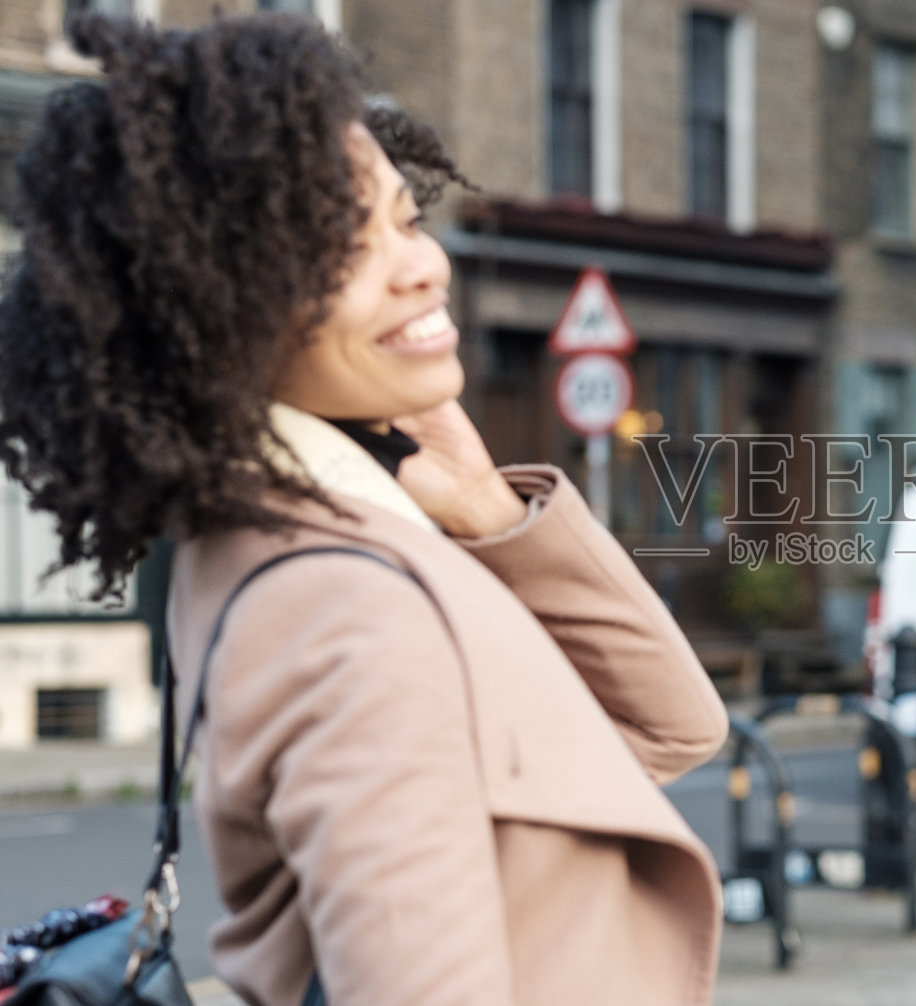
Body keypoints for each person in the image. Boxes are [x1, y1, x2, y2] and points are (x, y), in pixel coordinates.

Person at [0, 15, 728, 1006]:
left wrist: (483, 508)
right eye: (340, 244)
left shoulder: (310, 530)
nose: (421, 265)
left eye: (403, 216)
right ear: (215, 309)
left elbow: (670, 729)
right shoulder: (338, 601)